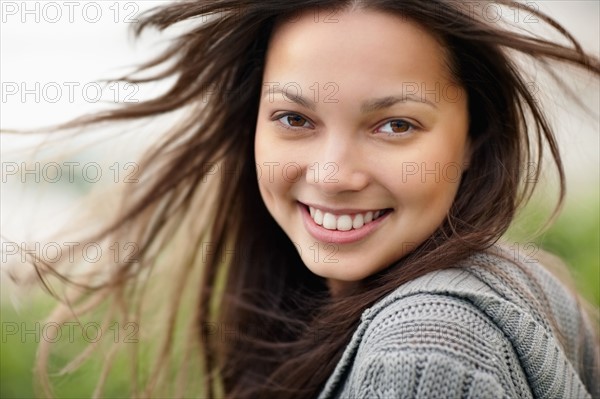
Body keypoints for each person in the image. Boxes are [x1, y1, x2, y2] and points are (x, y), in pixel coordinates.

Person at [12, 1, 599, 398]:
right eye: (294, 118)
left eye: (394, 125)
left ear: (475, 139)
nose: (334, 173)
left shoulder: (425, 350)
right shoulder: (518, 284)